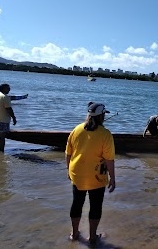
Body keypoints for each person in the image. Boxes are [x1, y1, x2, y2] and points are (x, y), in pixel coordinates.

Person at [65, 102, 116, 245]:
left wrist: (68, 170)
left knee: (77, 203)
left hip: (77, 173)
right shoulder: (105, 134)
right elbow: (109, 159)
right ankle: (92, 237)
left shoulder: (77, 129)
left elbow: (68, 154)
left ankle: (74, 234)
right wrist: (112, 178)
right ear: (101, 116)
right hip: (96, 176)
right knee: (95, 206)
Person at [0, 83, 17, 151]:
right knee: (2, 137)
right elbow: (9, 109)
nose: (9, 89)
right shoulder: (5, 97)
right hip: (3, 120)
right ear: (4, 89)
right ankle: (2, 152)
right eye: (8, 88)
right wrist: (14, 118)